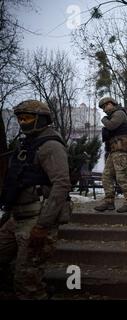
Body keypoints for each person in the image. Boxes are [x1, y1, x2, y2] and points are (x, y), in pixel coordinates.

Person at [0, 100, 72, 299]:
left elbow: (61, 185)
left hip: (36, 220)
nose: (23, 122)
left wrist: (43, 225)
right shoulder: (26, 144)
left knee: (26, 282)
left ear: (41, 119)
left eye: (28, 118)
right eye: (20, 118)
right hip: (16, 217)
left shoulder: (50, 145)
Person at [94, 97, 127, 213]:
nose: (104, 110)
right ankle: (109, 202)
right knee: (106, 176)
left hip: (121, 150)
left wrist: (104, 120)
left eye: (104, 107)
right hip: (114, 151)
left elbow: (111, 126)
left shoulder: (119, 113)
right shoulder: (113, 115)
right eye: (102, 108)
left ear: (110, 104)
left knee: (122, 177)